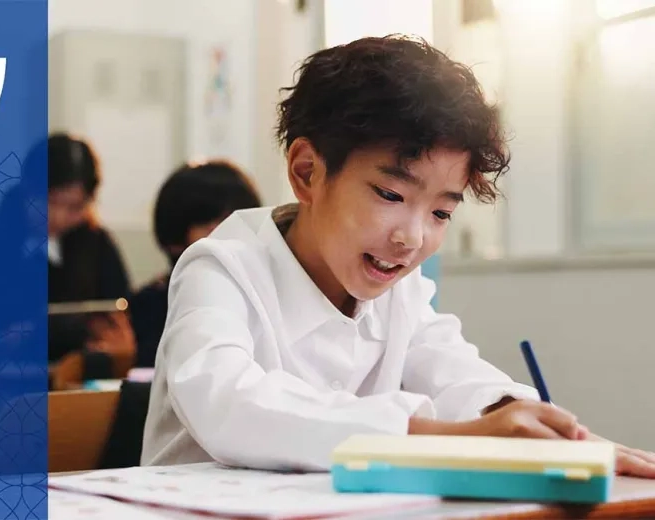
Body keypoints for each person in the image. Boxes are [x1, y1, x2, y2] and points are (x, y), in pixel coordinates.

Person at [140, 36, 655, 476]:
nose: (412, 238)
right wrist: (447, 438)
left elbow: (455, 371)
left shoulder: (398, 288)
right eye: (391, 195)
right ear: (307, 172)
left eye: (441, 213)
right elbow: (228, 403)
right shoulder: (222, 266)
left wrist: (523, 420)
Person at [129, 160, 261, 367]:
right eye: (209, 225)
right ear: (176, 234)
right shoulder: (149, 304)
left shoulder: (262, 297)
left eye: (232, 223)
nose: (225, 235)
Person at [46, 133, 136, 389]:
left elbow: (121, 312)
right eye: (50, 201)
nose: (59, 217)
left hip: (81, 381)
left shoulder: (98, 245)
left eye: (74, 207)